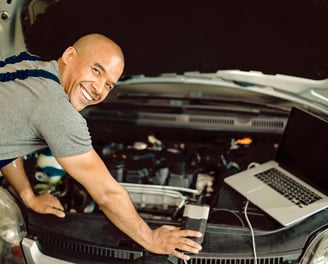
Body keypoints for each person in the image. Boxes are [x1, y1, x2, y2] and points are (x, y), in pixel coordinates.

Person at [0, 33, 202, 261]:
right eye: (96, 70)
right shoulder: (57, 111)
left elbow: (7, 137)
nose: (99, 89)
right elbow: (106, 193)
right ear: (69, 55)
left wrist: (28, 195)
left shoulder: (27, 66)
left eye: (108, 85)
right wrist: (151, 239)